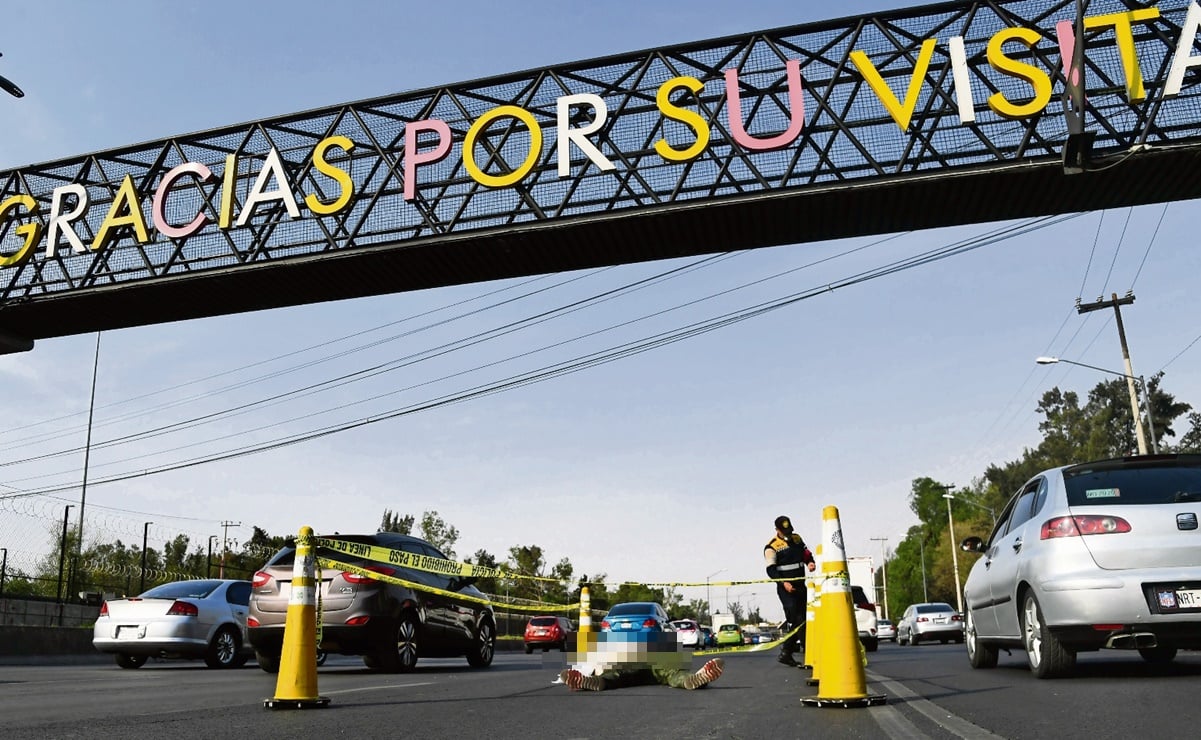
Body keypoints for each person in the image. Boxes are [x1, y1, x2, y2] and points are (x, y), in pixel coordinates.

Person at [764, 514, 816, 667]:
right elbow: (771, 571)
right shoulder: (772, 547)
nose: (787, 535)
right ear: (777, 530)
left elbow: (806, 553)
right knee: (797, 618)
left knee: (805, 619)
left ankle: (804, 652)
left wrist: (810, 562)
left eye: (789, 531)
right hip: (786, 589)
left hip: (800, 585)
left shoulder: (797, 539)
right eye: (784, 532)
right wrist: (784, 583)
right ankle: (787, 651)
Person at [561, 657, 724, 692]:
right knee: (672, 674)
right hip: (655, 659)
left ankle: (598, 681)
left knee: (618, 676)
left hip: (629, 665)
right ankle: (690, 679)